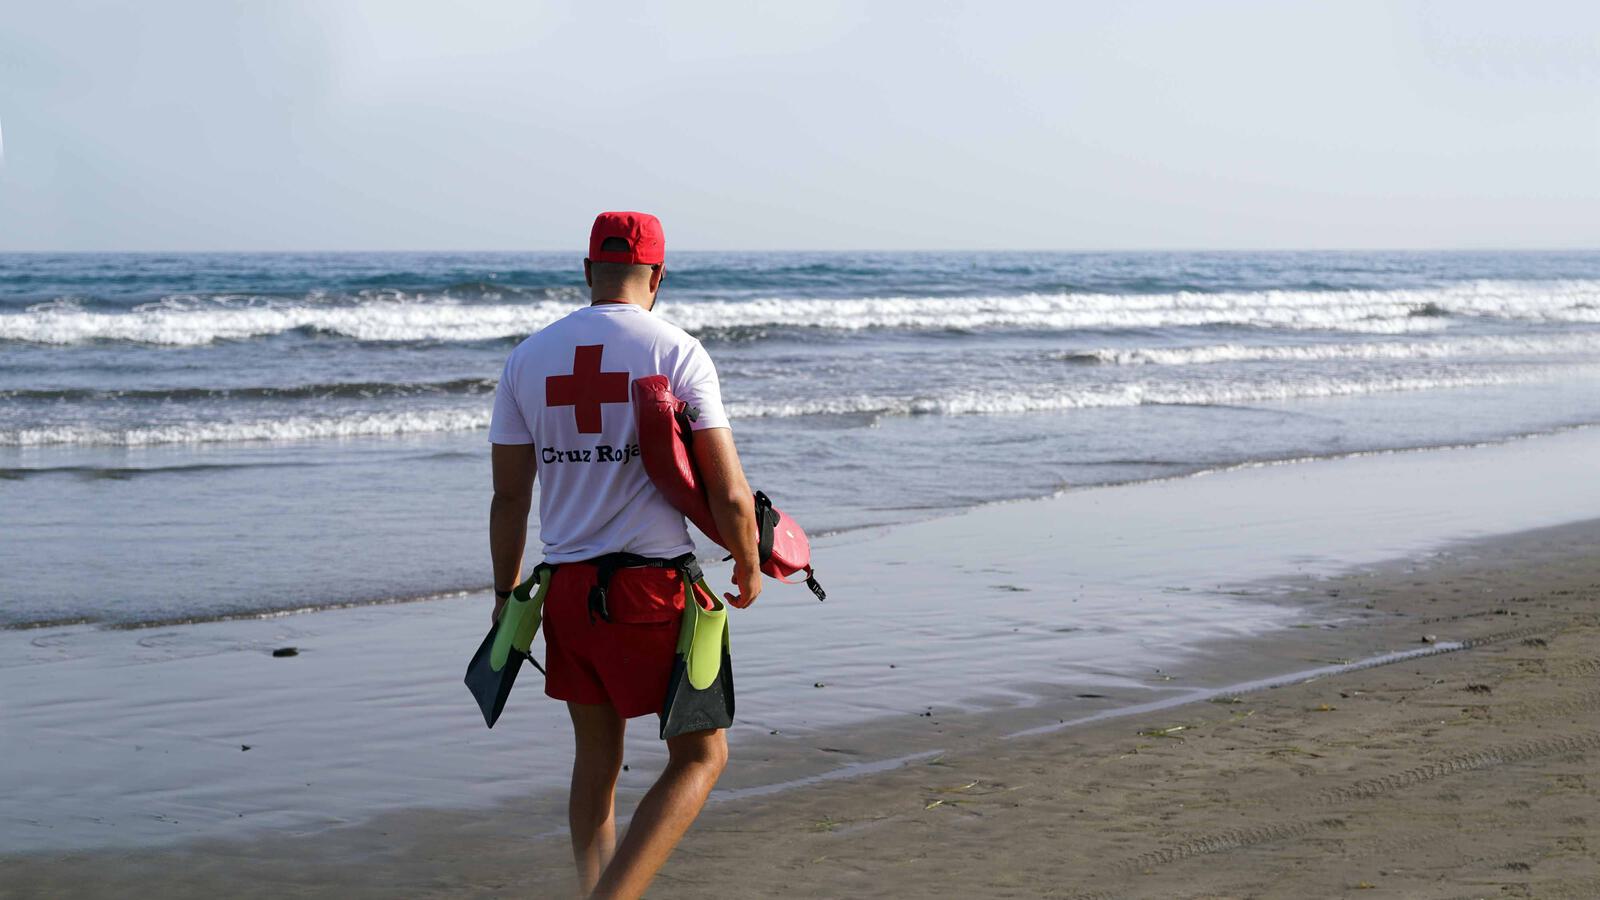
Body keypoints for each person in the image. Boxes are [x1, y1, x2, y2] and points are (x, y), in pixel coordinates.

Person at [487, 211, 763, 899]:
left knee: (596, 757)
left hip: (568, 595)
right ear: (658, 277)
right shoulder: (677, 353)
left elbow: (509, 500)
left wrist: (505, 594)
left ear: (587, 271)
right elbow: (729, 492)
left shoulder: (528, 357)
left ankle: (591, 887)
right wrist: (751, 561)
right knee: (701, 755)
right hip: (653, 594)